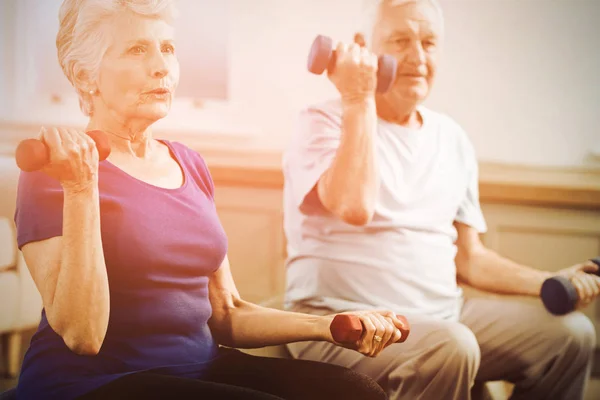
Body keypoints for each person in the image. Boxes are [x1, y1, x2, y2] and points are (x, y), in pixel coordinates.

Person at [11, 1, 404, 399]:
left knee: (356, 392)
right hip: (92, 384)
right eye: (136, 49)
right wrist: (81, 187)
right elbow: (83, 335)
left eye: (168, 48)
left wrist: (330, 325)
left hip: (198, 369)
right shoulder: (54, 173)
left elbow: (227, 312)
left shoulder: (189, 163)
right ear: (84, 74)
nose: (161, 66)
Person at [282, 0, 598, 399]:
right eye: (400, 40)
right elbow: (355, 206)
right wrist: (358, 97)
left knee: (570, 336)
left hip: (444, 318)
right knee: (451, 345)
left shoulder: (452, 137)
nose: (417, 56)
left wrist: (552, 282)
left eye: (429, 43)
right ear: (363, 46)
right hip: (339, 320)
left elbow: (469, 258)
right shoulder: (322, 120)